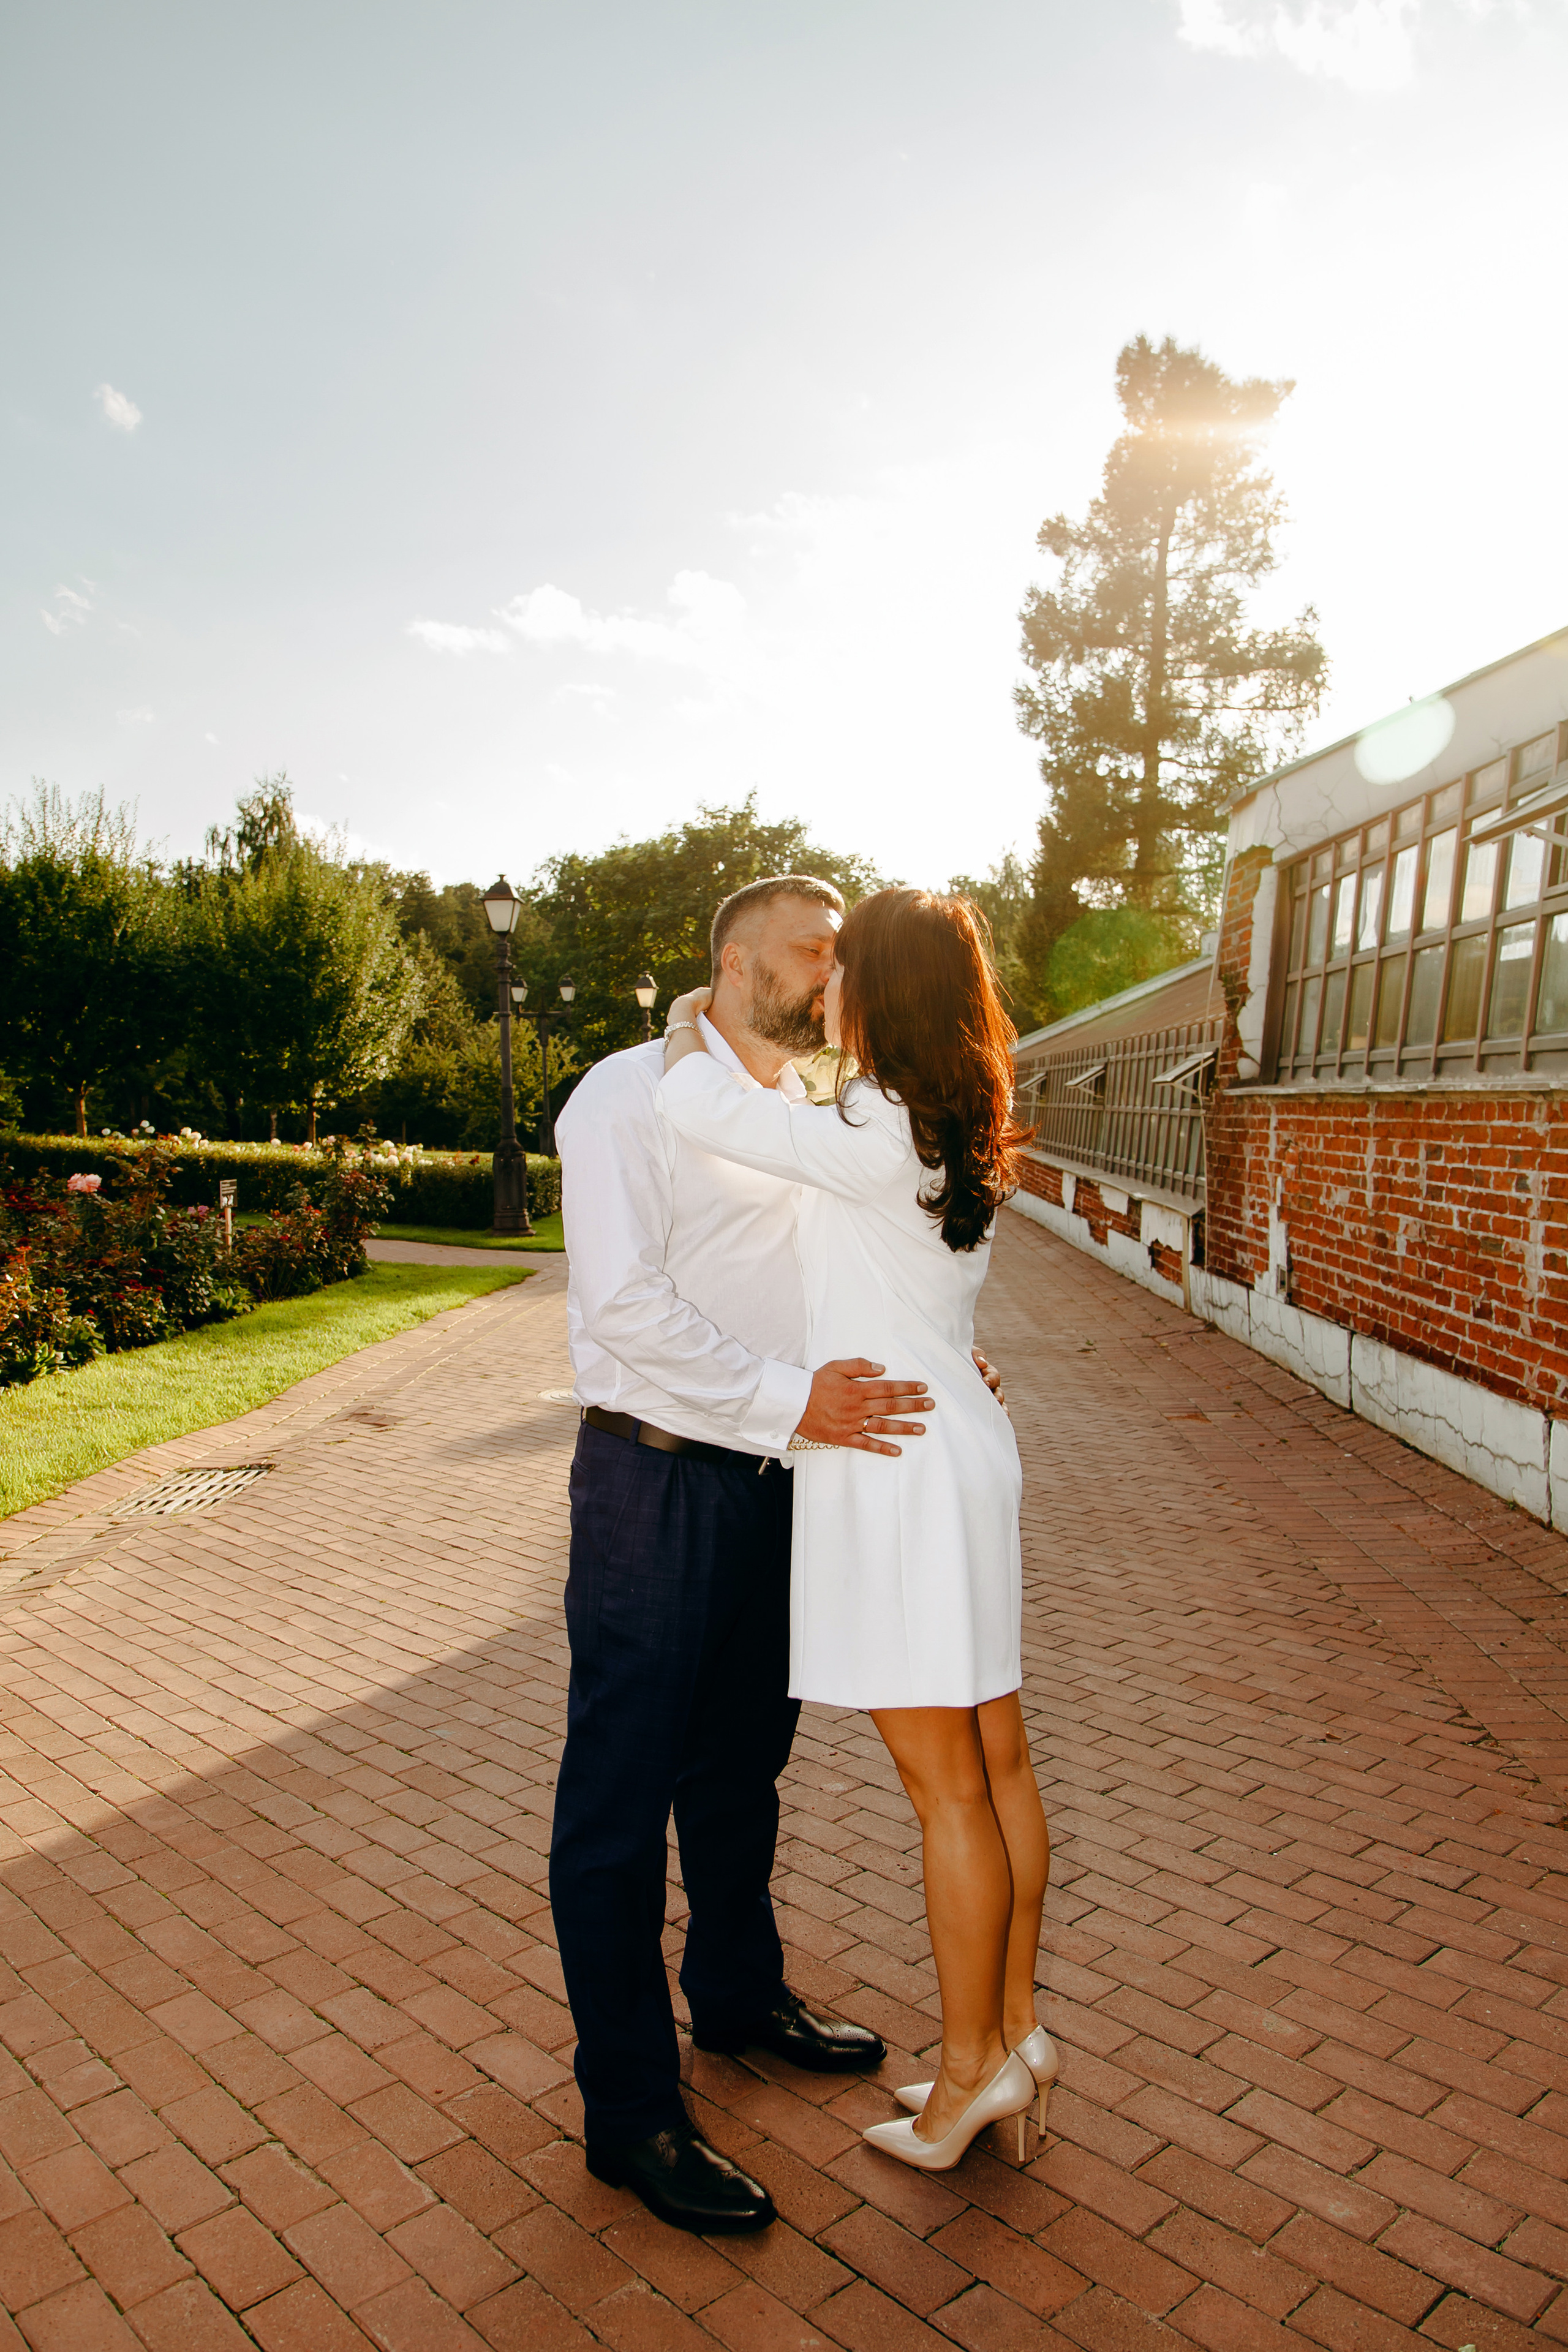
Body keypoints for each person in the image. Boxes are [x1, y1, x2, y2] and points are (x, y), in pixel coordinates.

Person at [551, 875, 948, 2236]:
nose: (832, 971)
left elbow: (840, 1276)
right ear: (734, 958)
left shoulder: (800, 1108)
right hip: (653, 1484)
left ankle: (735, 1996)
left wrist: (927, 1367)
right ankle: (633, 2115)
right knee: (618, 1802)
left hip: (780, 1483)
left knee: (741, 1771)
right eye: (810, 948)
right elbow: (624, 1308)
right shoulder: (622, 1099)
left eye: (839, 954)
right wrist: (795, 1404)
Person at [658, 886, 1055, 2173]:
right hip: (955, 1450)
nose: (825, 986)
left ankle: (966, 2078)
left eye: (842, 970)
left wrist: (682, 1022)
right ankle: (1011, 2032)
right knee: (994, 1760)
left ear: (875, 988)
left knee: (945, 1787)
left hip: (896, 1469)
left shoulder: (872, 1118)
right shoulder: (945, 1110)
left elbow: (702, 1101)